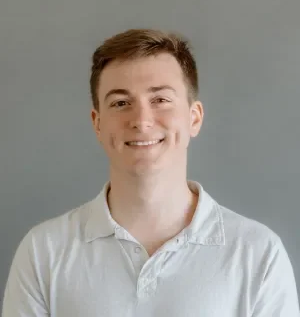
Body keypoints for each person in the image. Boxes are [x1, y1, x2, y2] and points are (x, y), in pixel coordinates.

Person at [2, 28, 299, 317]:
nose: (142, 121)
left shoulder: (258, 253)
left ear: (193, 118)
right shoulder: (43, 251)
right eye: (121, 103)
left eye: (160, 100)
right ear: (97, 123)